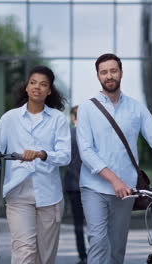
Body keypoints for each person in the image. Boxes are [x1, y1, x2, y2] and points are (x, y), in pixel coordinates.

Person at [76, 53, 152, 264]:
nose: (109, 76)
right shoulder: (87, 108)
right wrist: (114, 180)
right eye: (104, 72)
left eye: (113, 70)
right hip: (94, 187)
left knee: (117, 248)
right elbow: (86, 151)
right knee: (98, 241)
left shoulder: (136, 108)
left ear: (121, 73)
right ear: (98, 77)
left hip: (127, 191)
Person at [0, 66, 71, 264]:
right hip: (18, 194)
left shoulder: (57, 119)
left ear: (49, 91)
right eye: (33, 82)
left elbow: (65, 157)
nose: (37, 87)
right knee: (24, 250)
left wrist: (41, 154)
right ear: (26, 87)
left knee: (45, 257)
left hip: (49, 195)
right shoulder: (10, 118)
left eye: (43, 84)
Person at [64, 105, 87, 264]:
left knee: (78, 223)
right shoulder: (91, 135)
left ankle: (83, 256)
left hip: (73, 184)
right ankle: (96, 255)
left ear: (73, 118)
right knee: (95, 224)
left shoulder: (67, 135)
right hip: (90, 185)